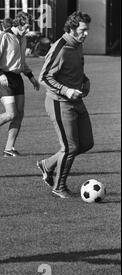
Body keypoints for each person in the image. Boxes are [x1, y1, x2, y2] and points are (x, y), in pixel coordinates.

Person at [37, 11, 93, 199]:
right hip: (59, 102)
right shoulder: (60, 47)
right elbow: (44, 77)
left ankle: (47, 165)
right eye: (83, 30)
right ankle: (58, 187)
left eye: (87, 30)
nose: (86, 34)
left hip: (77, 101)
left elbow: (76, 69)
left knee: (86, 143)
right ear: (72, 28)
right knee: (70, 147)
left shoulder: (78, 45)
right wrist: (66, 90)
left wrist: (85, 81)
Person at [0, 12, 40, 157]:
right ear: (18, 24)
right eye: (26, 27)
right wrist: (0, 74)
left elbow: (21, 62)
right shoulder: (3, 36)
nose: (28, 30)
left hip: (17, 78)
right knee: (11, 114)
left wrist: (31, 77)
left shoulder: (22, 39)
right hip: (4, 78)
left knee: (19, 114)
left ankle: (9, 148)